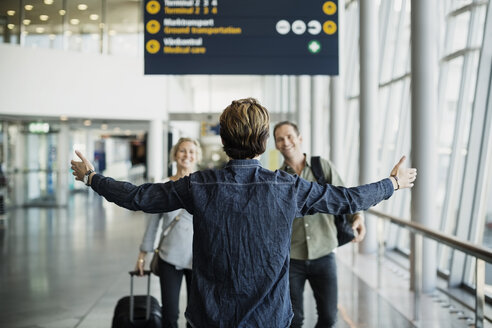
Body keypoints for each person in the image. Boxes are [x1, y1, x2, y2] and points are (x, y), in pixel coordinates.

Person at [71, 97, 417, 328]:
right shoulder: (288, 188)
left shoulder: (198, 185)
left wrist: (92, 177)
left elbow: (139, 197)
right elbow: (346, 199)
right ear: (265, 141)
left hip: (210, 317)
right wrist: (392, 184)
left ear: (223, 139)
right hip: (270, 318)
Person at [274, 121, 365, 328]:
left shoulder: (321, 167)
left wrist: (357, 217)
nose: (286, 142)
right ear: (276, 145)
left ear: (300, 139)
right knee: (293, 320)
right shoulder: (278, 178)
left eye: (289, 136)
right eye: (280, 139)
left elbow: (343, 195)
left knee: (328, 317)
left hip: (324, 253)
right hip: (292, 258)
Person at [135, 137, 201, 328]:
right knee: (169, 315)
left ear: (197, 156)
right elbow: (153, 225)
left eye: (191, 151)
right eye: (182, 151)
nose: (186, 155)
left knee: (196, 316)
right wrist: (142, 256)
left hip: (198, 258)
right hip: (169, 256)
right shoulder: (163, 185)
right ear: (174, 155)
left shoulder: (204, 186)